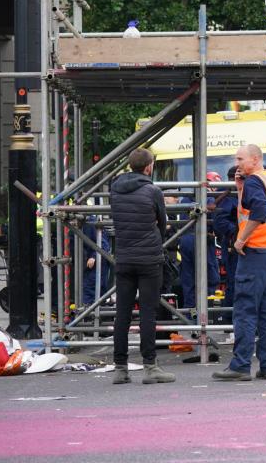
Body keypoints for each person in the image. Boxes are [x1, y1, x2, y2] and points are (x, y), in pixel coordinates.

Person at [214, 144, 266, 381]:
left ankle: (240, 365)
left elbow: (259, 212)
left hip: (256, 251)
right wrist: (240, 189)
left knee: (245, 309)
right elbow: (265, 209)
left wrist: (240, 240)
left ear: (255, 159)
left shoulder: (255, 181)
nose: (237, 163)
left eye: (241, 159)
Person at [110, 148, 175, 384]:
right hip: (149, 259)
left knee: (122, 315)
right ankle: (150, 367)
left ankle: (120, 368)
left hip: (124, 257)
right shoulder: (153, 190)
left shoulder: (115, 189)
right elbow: (162, 223)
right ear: (149, 167)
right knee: (148, 313)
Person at [178, 172, 221, 311]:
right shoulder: (208, 198)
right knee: (211, 276)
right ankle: (205, 311)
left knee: (189, 278)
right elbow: (215, 219)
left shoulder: (185, 199)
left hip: (185, 239)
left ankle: (191, 313)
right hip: (201, 239)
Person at [211, 167, 241, 314]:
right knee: (235, 281)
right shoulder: (228, 193)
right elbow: (220, 221)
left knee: (236, 281)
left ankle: (232, 316)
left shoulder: (234, 192)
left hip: (237, 242)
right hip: (233, 244)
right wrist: (238, 232)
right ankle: (231, 317)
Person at [81, 215, 111, 306]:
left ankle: (89, 316)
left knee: (91, 291)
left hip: (96, 263)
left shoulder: (89, 224)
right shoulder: (87, 223)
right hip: (94, 261)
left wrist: (94, 256)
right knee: (97, 293)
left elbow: (103, 244)